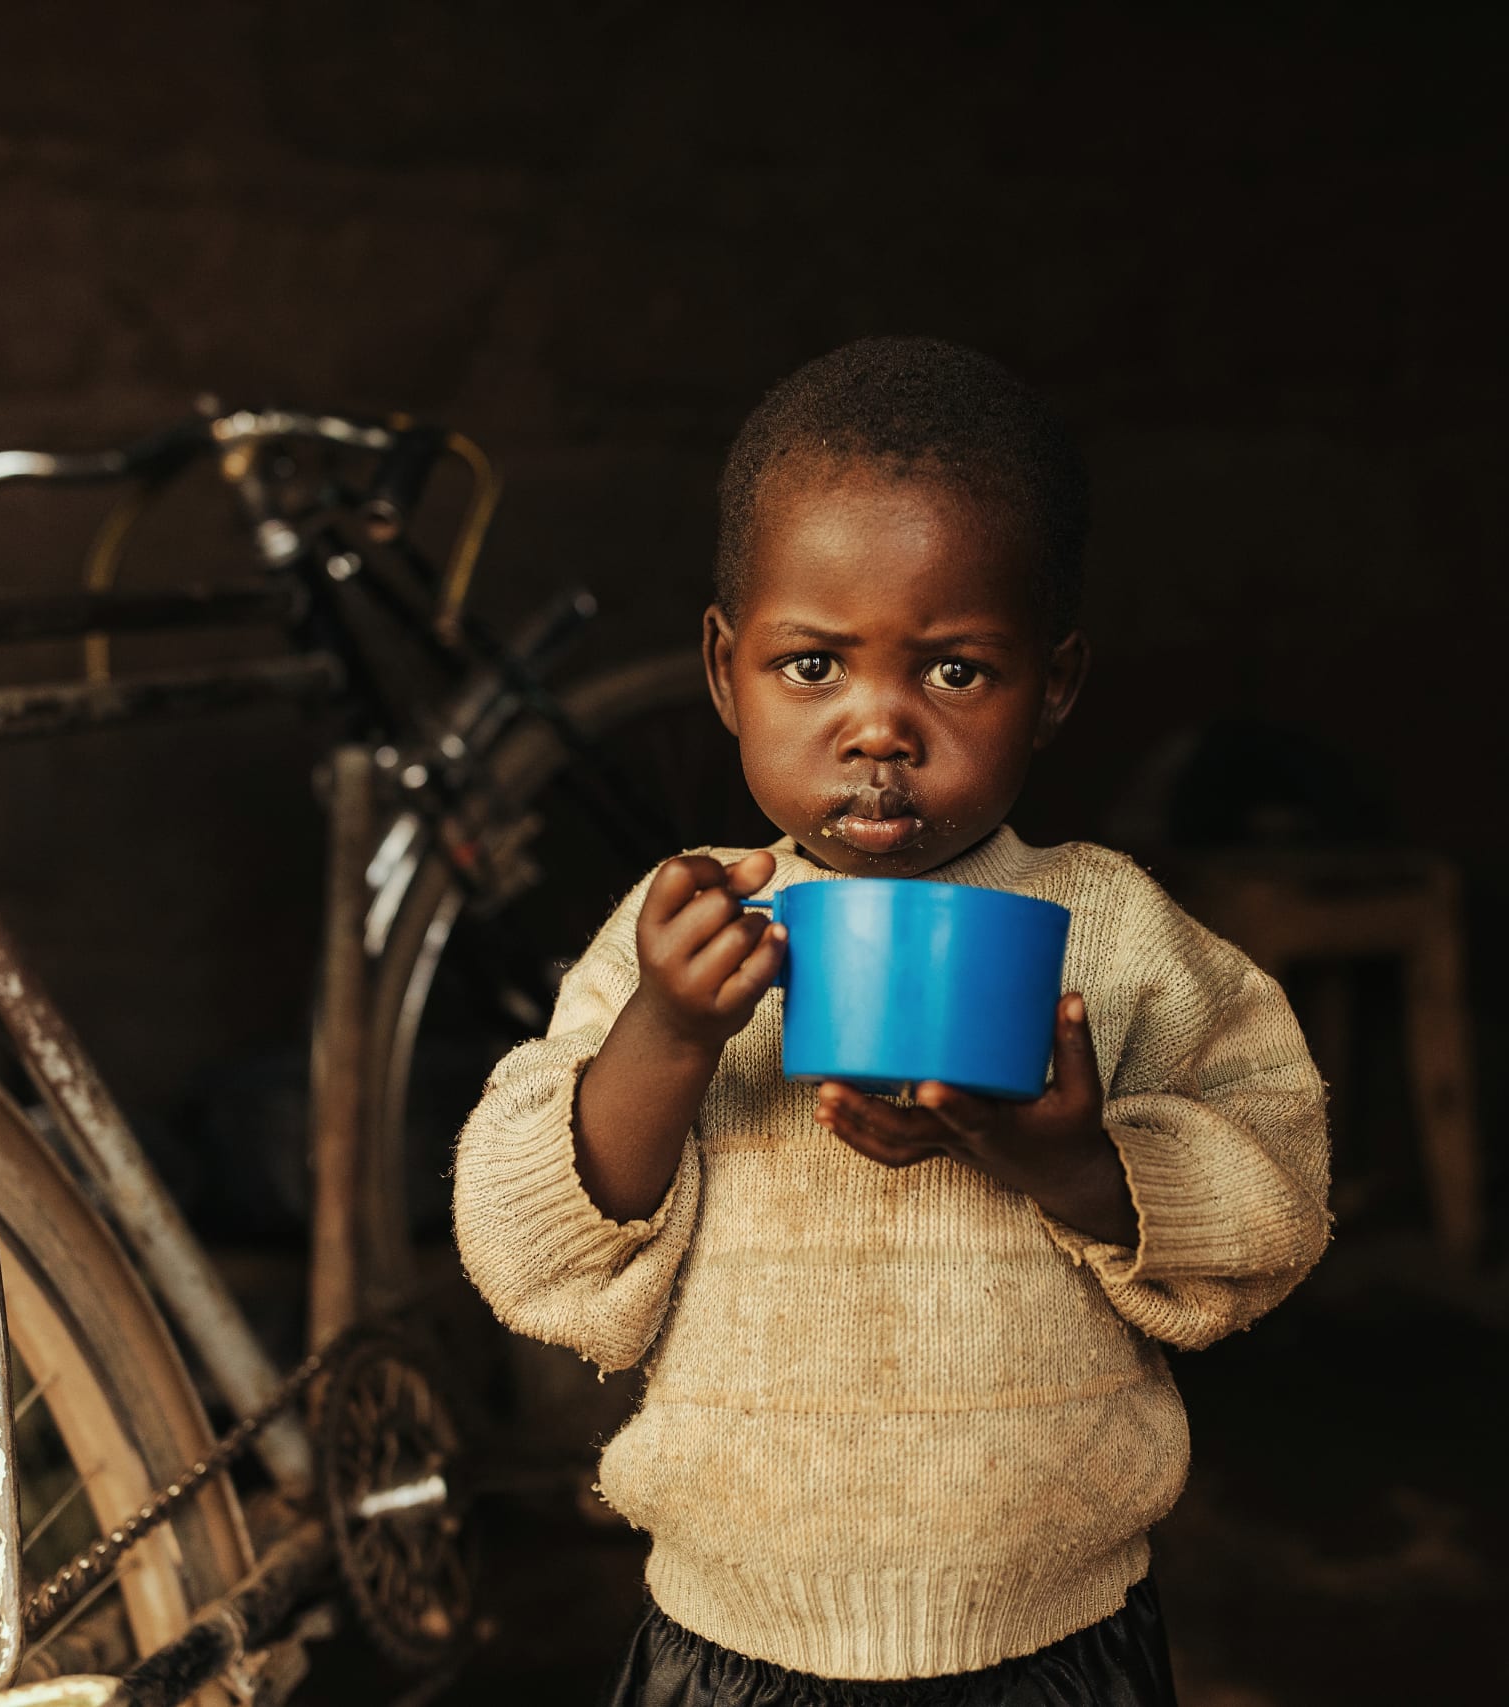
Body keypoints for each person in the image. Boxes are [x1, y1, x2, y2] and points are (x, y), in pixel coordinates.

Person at [454, 337, 1331, 1705]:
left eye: (956, 672)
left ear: (1057, 684)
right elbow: (527, 1258)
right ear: (722, 666)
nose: (879, 726)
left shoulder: (1116, 933)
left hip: (1053, 1645)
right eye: (812, 666)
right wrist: (669, 1039)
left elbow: (1279, 1196)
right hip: (732, 1646)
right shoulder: (680, 932)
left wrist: (1077, 1167)